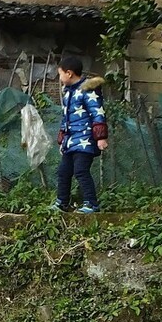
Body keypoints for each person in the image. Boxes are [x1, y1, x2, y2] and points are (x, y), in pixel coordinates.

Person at [52, 55, 109, 213]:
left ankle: (91, 203)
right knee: (64, 171)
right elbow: (66, 117)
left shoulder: (87, 89)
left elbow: (97, 113)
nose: (60, 78)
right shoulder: (68, 92)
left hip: (85, 139)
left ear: (69, 73)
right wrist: (62, 140)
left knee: (81, 171)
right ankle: (62, 202)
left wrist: (101, 137)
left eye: (60, 74)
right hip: (71, 140)